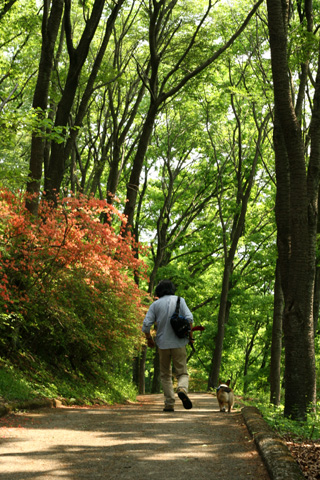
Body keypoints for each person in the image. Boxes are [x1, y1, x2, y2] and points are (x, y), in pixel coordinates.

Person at [142, 279, 194, 412]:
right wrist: (190, 337)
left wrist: (149, 339)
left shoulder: (155, 304)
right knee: (182, 372)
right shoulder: (180, 300)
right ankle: (182, 389)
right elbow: (189, 318)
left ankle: (169, 403)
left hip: (162, 344)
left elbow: (146, 325)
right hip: (179, 342)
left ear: (159, 291)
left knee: (165, 375)